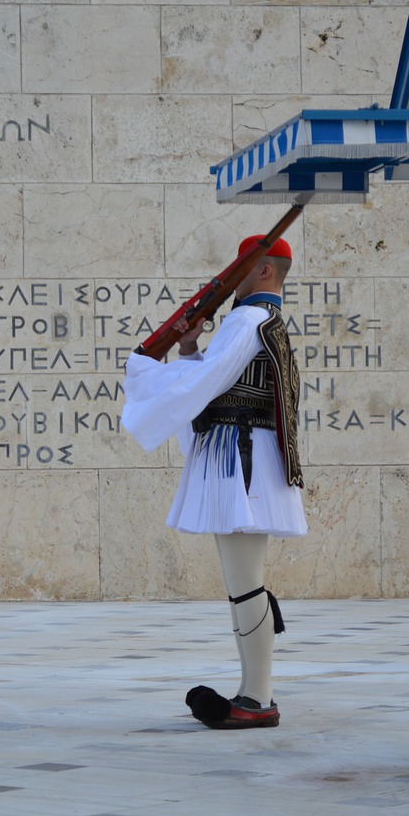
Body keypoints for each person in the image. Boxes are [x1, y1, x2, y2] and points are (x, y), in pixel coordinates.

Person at [121, 235, 305, 729]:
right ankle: (253, 693)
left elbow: (202, 386)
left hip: (240, 458)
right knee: (242, 582)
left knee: (245, 583)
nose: (230, 279)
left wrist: (142, 373)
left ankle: (257, 699)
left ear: (265, 272)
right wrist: (188, 349)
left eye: (241, 267)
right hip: (243, 453)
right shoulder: (262, 321)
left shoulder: (248, 320)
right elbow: (215, 379)